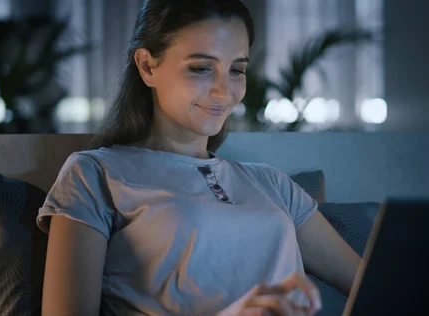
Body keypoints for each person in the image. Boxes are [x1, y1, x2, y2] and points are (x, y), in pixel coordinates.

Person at [36, 0, 361, 315]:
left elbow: (370, 284)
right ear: (148, 66)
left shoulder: (272, 183)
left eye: (236, 70)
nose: (224, 91)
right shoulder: (95, 174)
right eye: (202, 68)